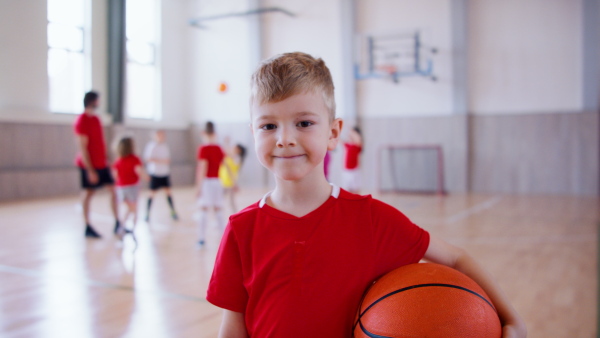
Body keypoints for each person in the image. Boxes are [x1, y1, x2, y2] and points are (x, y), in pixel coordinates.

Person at [206, 52, 526, 337]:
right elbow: (233, 327)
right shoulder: (241, 229)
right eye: (268, 126)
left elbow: (456, 258)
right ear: (252, 131)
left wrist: (512, 320)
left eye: (303, 123)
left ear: (333, 133)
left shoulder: (370, 219)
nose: (285, 138)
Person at [73, 91, 120, 238]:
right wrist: (90, 170)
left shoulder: (96, 119)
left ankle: (118, 222)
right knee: (88, 193)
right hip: (89, 165)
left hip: (102, 164)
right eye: (98, 100)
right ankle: (87, 225)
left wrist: (107, 160)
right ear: (92, 101)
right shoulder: (81, 121)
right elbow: (83, 147)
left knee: (113, 190)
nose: (99, 103)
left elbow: (101, 143)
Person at [196, 121, 226, 246]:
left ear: (203, 133)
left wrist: (198, 187)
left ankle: (202, 239)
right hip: (217, 182)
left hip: (207, 182)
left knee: (204, 209)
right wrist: (234, 182)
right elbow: (226, 166)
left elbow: (202, 167)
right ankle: (225, 238)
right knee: (218, 209)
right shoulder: (218, 148)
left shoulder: (203, 148)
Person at [112, 137, 146, 238]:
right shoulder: (135, 159)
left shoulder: (118, 161)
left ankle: (122, 227)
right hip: (132, 187)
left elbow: (115, 176)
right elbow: (139, 171)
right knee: (135, 210)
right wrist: (147, 177)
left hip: (121, 188)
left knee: (129, 209)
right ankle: (133, 230)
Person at [143, 129, 179, 222]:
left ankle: (173, 212)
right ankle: (147, 213)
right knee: (151, 194)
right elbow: (148, 158)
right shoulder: (152, 146)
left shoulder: (165, 146)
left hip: (164, 173)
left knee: (168, 193)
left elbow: (168, 159)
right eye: (160, 135)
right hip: (155, 173)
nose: (162, 137)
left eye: (163, 135)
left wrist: (164, 161)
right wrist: (160, 161)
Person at [218, 140, 247, 214]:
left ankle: (234, 214)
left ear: (238, 150)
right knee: (223, 200)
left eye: (235, 147)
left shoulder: (236, 158)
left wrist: (234, 183)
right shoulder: (233, 156)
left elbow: (230, 170)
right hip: (224, 180)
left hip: (229, 181)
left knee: (229, 200)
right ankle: (229, 214)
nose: (233, 148)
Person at [342, 126, 362, 193]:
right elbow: (340, 140)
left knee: (355, 188)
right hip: (346, 170)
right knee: (348, 188)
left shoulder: (357, 145)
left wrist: (351, 130)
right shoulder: (349, 145)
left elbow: (357, 138)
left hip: (354, 170)